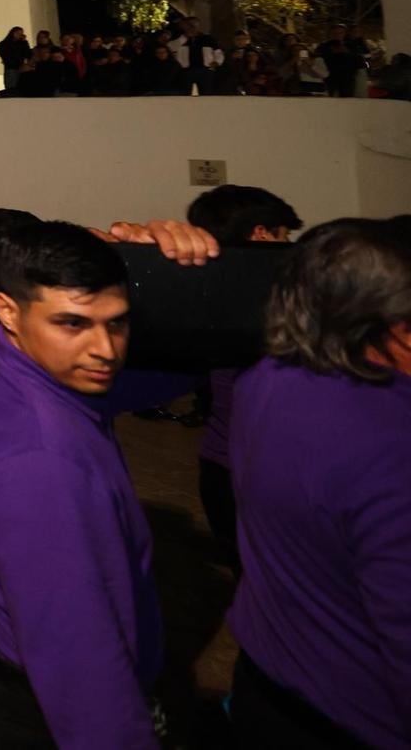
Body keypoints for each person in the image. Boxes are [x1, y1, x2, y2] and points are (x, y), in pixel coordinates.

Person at [0, 218, 219, 750]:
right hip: (40, 710)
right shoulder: (42, 462)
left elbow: (179, 373)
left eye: (117, 324)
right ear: (8, 310)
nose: (104, 349)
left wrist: (159, 271)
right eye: (73, 324)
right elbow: (77, 656)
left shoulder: (10, 359)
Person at [226, 219, 411, 749]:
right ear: (386, 324)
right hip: (360, 721)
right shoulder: (392, 444)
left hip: (268, 686)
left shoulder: (267, 380)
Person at [185, 184, 300, 575]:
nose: (289, 245)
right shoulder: (287, 303)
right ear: (262, 233)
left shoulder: (201, 289)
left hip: (220, 468)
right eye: (286, 234)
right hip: (276, 476)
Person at [171, 17, 223, 95]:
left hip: (205, 70)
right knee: (185, 94)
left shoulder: (207, 39)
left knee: (206, 94)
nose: (192, 27)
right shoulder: (179, 38)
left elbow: (218, 52)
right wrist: (185, 37)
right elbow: (171, 48)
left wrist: (217, 62)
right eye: (190, 25)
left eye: (194, 25)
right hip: (186, 71)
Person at [314, 24, 369, 98]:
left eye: (340, 33)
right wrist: (331, 53)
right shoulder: (324, 45)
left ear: (345, 33)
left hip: (348, 77)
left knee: (347, 99)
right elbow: (318, 58)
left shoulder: (352, 45)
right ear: (331, 34)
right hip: (331, 77)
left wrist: (348, 52)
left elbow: (361, 60)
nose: (337, 35)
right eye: (335, 33)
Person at [0, 27, 31, 96]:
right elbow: (7, 56)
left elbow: (28, 54)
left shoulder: (22, 44)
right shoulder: (3, 44)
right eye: (17, 33)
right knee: (11, 90)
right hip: (11, 69)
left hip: (21, 69)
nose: (19, 35)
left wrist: (24, 43)